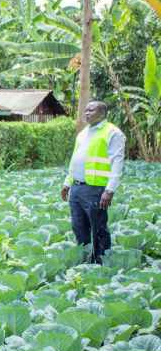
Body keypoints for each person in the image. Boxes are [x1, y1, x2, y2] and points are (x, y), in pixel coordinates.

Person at [61, 100, 125, 263]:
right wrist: (67, 182)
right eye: (86, 110)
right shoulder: (83, 133)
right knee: (78, 226)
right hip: (77, 187)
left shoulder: (113, 132)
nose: (86, 113)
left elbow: (117, 162)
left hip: (96, 188)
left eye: (91, 110)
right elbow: (75, 159)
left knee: (98, 228)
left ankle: (102, 260)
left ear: (102, 113)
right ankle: (85, 259)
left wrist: (109, 190)